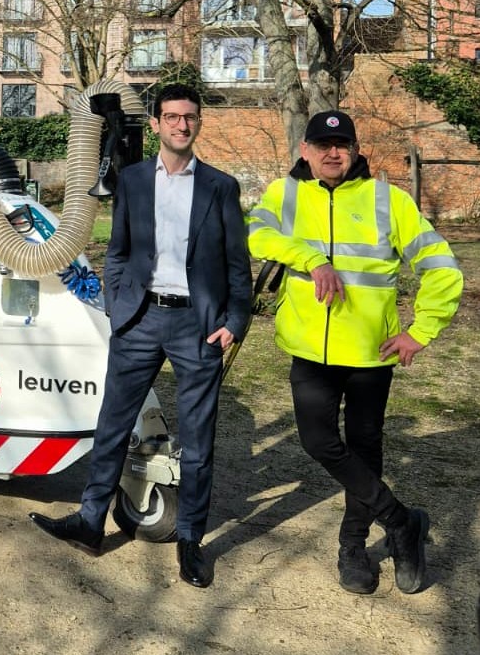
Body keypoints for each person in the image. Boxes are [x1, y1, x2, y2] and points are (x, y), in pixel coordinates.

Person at [29, 83, 251, 588]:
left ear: (198, 123)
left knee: (198, 442)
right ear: (154, 124)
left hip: (198, 325)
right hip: (139, 320)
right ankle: (90, 522)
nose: (180, 124)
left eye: (189, 117)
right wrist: (118, 303)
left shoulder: (220, 186)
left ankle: (190, 540)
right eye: (171, 117)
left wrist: (234, 322)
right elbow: (120, 249)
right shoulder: (130, 181)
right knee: (110, 425)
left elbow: (239, 266)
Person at [248, 109, 462, 595]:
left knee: (365, 449)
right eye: (322, 145)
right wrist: (313, 259)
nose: (332, 152)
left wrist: (421, 331)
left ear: (355, 150)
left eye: (342, 144)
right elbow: (255, 235)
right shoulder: (285, 194)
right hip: (308, 349)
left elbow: (444, 266)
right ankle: (402, 521)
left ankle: (353, 546)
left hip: (370, 353)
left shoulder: (389, 200)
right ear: (305, 150)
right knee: (318, 442)